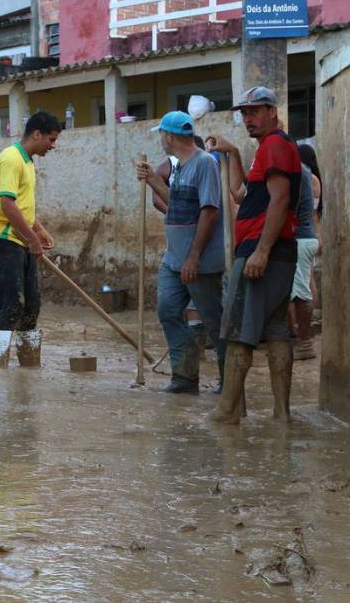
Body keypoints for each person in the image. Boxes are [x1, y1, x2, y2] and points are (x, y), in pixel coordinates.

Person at [206, 86, 301, 424]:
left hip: (261, 253)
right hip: (278, 252)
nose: (248, 118)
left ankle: (227, 413)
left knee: (238, 333)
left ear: (273, 112)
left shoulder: (275, 145)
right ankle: (282, 415)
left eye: (255, 111)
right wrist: (232, 153)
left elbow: (280, 199)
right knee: (276, 331)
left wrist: (261, 251)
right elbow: (240, 194)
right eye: (245, 113)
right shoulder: (272, 148)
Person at [136, 111, 226, 394]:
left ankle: (230, 383)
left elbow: (209, 211)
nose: (161, 140)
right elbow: (176, 203)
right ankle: (185, 377)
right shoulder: (179, 166)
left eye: (162, 135)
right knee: (168, 311)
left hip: (199, 262)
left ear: (170, 137)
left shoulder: (205, 163)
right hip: (174, 259)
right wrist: (153, 179)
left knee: (214, 320)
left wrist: (193, 257)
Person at [0, 111, 59, 368]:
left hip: (21, 237)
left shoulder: (28, 163)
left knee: (32, 305)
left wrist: (39, 230)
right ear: (36, 134)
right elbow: (7, 204)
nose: (53, 145)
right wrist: (33, 239)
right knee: (12, 304)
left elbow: (23, 207)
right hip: (3, 237)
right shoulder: (11, 159)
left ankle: (29, 368)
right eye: (51, 139)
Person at [288, 143, 321, 360]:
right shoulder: (308, 174)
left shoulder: (299, 172)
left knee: (300, 293)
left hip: (300, 237)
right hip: (307, 236)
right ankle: (300, 336)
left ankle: (304, 342)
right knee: (303, 287)